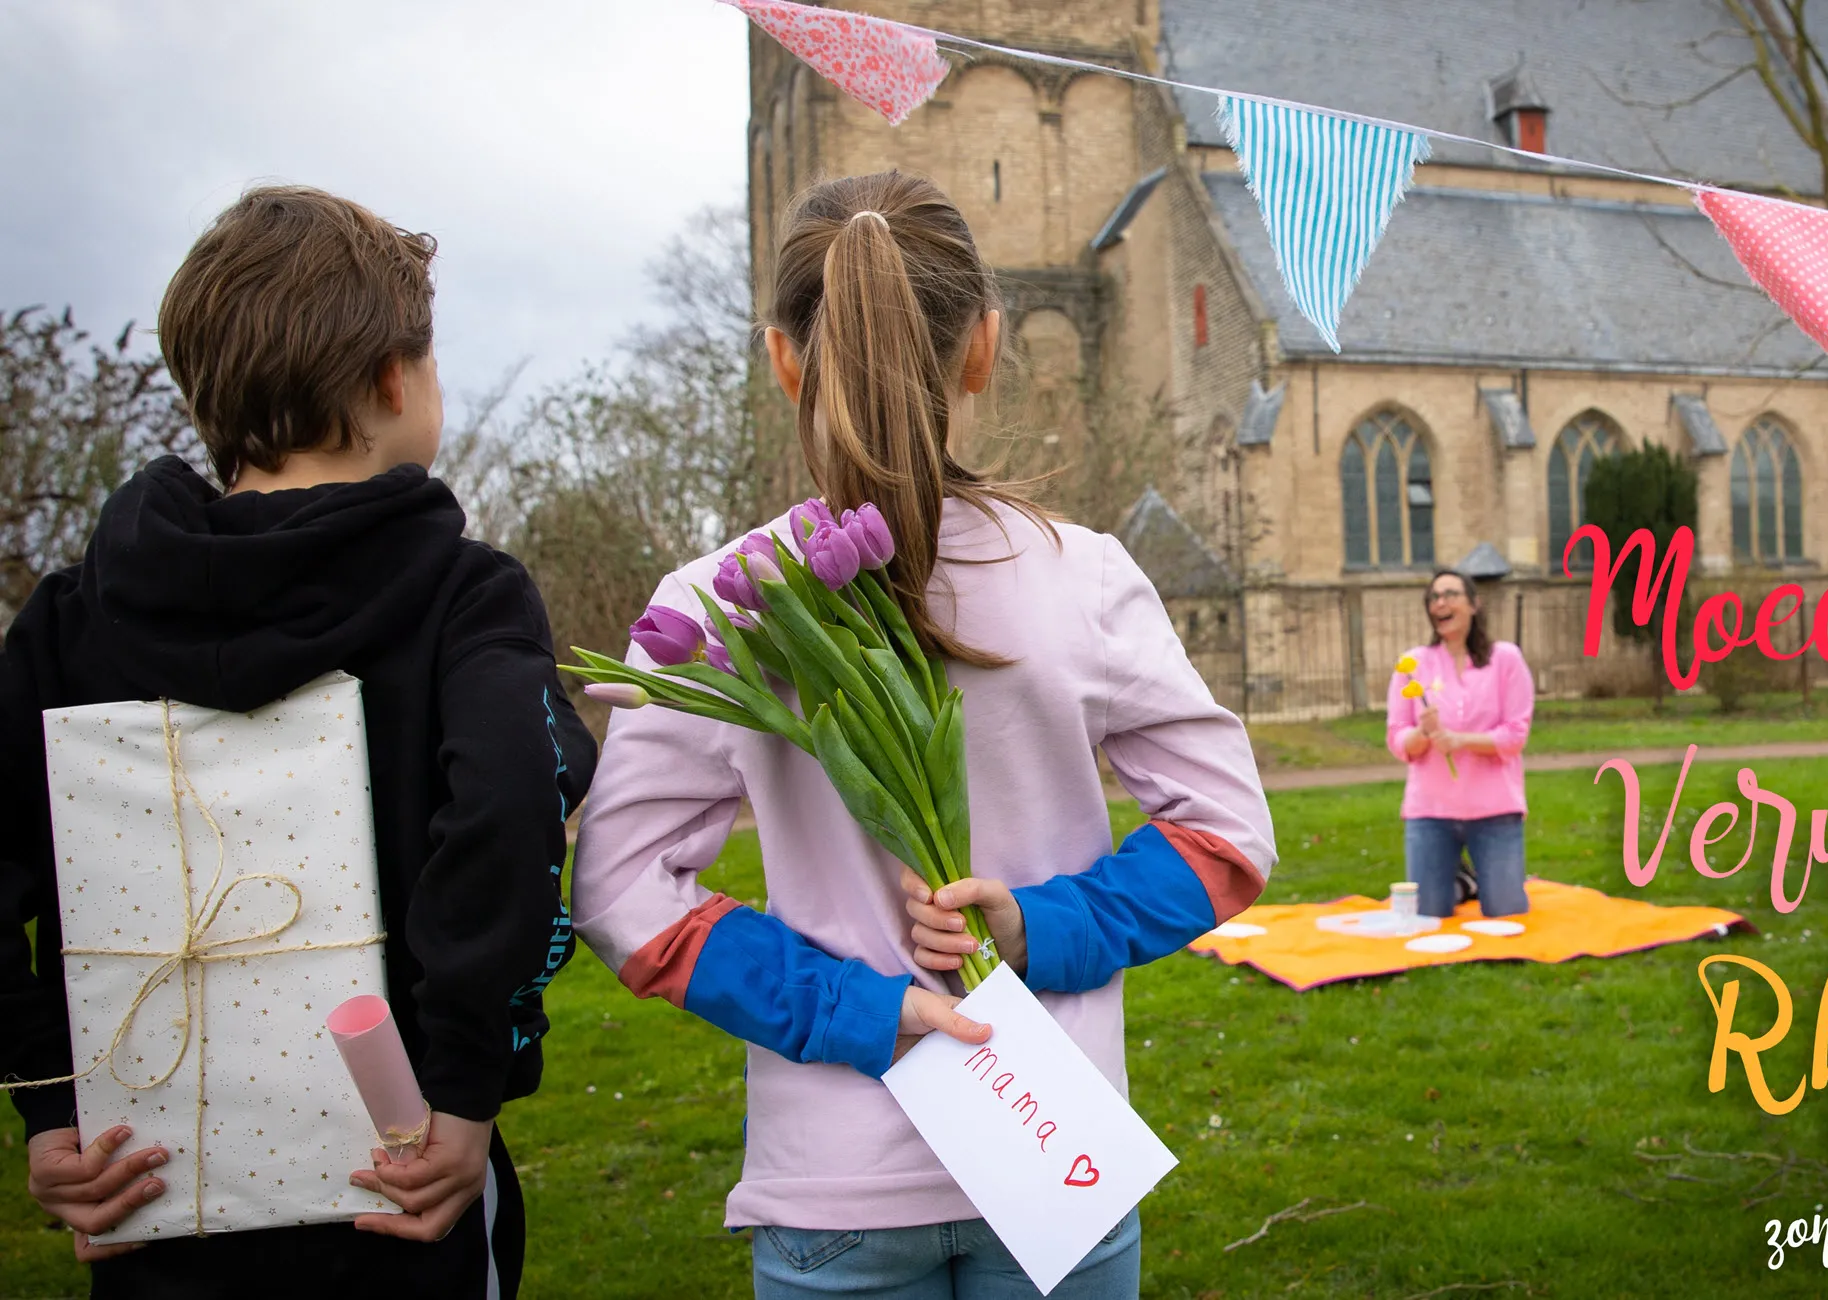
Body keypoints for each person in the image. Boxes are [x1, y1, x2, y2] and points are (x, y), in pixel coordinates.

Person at [568, 170, 1275, 1300]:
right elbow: (1229, 836)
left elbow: (617, 896)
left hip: (840, 1190)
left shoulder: (718, 599)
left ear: (782, 359)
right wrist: (1042, 928)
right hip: (1055, 1158)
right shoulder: (1079, 576)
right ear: (986, 346)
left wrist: (853, 1010)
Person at [0, 186, 596, 1298]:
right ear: (390, 377)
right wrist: (465, 1087)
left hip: (149, 1186)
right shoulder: (464, 599)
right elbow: (513, 810)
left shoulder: (71, 621)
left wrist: (51, 1103)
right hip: (402, 1178)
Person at [1386, 569, 1535, 918]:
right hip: (1431, 810)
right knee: (1427, 915)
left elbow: (1515, 735)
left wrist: (1459, 740)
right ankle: (1461, 884)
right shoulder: (1412, 665)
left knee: (1505, 913)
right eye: (1434, 597)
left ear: (1473, 604)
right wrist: (1422, 735)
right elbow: (1397, 737)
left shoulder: (1506, 659)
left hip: (1494, 808)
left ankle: (1478, 880)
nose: (1441, 602)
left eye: (1451, 593)